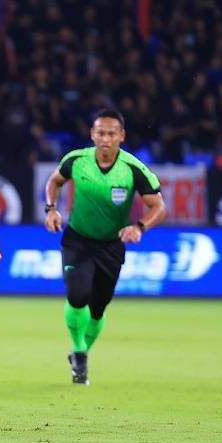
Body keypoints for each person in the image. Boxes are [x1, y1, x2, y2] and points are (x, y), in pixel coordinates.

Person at [43, 108, 167, 385]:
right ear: (92, 134)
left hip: (111, 246)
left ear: (121, 136)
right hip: (78, 239)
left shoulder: (134, 169)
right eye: (100, 132)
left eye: (112, 133)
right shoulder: (76, 160)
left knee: (98, 307)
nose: (105, 139)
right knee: (78, 294)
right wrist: (51, 209)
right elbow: (54, 181)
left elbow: (158, 207)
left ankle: (81, 353)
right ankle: (79, 352)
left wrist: (139, 227)